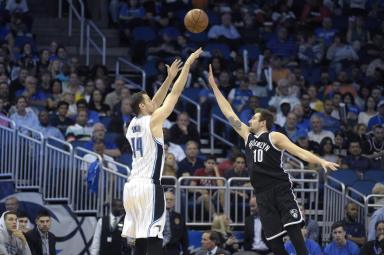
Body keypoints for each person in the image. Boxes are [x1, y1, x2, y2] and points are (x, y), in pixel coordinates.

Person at [208, 64, 339, 255]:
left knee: (295, 233)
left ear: (263, 122)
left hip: (280, 189)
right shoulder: (248, 136)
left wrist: (321, 161)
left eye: (253, 118)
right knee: (275, 244)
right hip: (262, 194)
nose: (249, 120)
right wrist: (215, 87)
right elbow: (229, 113)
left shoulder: (274, 137)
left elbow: (299, 152)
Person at [122, 49, 203, 255]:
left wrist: (168, 78)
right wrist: (187, 66)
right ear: (142, 105)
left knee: (140, 239)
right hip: (149, 186)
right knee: (155, 237)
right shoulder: (154, 120)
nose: (153, 101)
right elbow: (175, 94)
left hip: (131, 187)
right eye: (148, 99)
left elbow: (156, 102)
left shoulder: (133, 123)